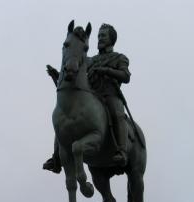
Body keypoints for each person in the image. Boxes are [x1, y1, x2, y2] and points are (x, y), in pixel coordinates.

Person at [44, 23, 131, 172]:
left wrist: (107, 70)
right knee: (64, 118)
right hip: (91, 96)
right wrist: (57, 77)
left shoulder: (119, 58)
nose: (100, 39)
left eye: (103, 36)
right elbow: (75, 80)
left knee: (117, 112)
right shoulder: (89, 60)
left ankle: (121, 151)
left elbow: (125, 76)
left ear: (111, 39)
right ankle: (56, 158)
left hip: (109, 95)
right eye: (98, 36)